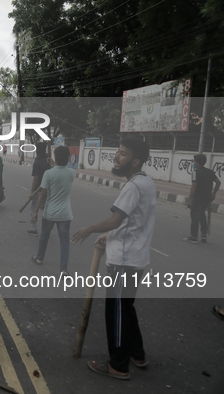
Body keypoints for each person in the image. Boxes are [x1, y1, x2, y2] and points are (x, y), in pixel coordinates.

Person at [72, 138, 155, 381]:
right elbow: (133, 222)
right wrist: (109, 236)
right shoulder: (146, 182)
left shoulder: (133, 187)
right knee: (126, 309)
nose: (117, 157)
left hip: (124, 261)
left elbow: (116, 220)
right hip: (136, 258)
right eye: (117, 152)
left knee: (117, 312)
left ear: (135, 161)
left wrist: (91, 229)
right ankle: (137, 354)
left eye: (123, 154)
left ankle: (118, 364)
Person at [30, 145, 74, 275]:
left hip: (50, 212)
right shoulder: (72, 173)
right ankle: (63, 269)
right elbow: (61, 168)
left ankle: (39, 257)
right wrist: (55, 163)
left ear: (55, 157)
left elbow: (43, 194)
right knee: (64, 241)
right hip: (65, 213)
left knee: (44, 236)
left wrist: (36, 211)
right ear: (68, 158)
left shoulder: (48, 174)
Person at [184, 154, 220, 243]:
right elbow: (218, 182)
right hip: (207, 198)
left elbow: (194, 186)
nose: (193, 162)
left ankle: (193, 237)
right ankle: (204, 235)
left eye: (194, 161)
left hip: (197, 198)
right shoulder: (210, 172)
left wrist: (189, 199)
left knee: (195, 216)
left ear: (198, 162)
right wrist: (213, 193)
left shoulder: (195, 172)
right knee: (202, 215)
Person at [27, 142, 52, 237]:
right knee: (45, 210)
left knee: (34, 209)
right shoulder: (48, 161)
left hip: (38, 190)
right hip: (47, 189)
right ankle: (46, 229)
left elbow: (36, 179)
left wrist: (31, 192)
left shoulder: (37, 162)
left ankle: (34, 229)